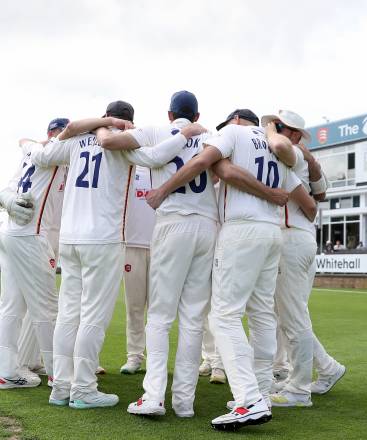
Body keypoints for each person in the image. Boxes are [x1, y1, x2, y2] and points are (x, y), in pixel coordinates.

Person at [28, 103, 192, 409]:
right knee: (92, 316)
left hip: (70, 238)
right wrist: (186, 134)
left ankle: (61, 386)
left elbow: (40, 154)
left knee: (68, 315)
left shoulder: (76, 142)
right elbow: (157, 157)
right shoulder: (124, 145)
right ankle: (84, 388)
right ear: (129, 122)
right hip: (103, 239)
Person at [145, 108, 301, 430]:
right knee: (261, 314)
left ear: (235, 121)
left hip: (241, 229)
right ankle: (260, 392)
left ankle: (249, 399)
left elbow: (207, 164)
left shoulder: (232, 133)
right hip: (272, 232)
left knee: (223, 316)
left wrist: (162, 190)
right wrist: (271, 192)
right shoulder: (277, 144)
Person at [260, 109, 324, 408]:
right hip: (297, 237)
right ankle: (326, 369)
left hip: (292, 238)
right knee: (291, 314)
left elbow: (281, 146)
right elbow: (320, 194)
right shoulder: (301, 158)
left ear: (295, 135)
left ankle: (299, 389)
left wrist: (269, 128)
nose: (274, 131)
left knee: (293, 317)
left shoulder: (291, 152)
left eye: (281, 127)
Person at [0, 118, 68, 390]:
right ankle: (58, 375)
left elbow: (7, 187)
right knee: (47, 307)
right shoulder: (50, 153)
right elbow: (6, 189)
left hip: (13, 234)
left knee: (12, 305)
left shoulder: (32, 154)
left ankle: (7, 371)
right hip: (32, 235)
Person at [119, 165, 155, 375]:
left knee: (157, 309)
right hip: (131, 245)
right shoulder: (128, 169)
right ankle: (134, 356)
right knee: (134, 307)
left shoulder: (161, 168)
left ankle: (155, 357)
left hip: (160, 246)